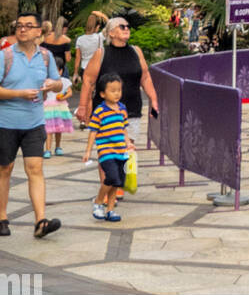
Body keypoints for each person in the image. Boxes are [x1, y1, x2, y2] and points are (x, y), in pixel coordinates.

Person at [0, 9, 63, 238]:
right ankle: (2, 218)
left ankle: (40, 222)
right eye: (19, 26)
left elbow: (59, 84)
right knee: (4, 169)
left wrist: (52, 85)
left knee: (35, 169)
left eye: (28, 26)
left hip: (35, 124)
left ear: (39, 31)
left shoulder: (45, 57)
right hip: (5, 123)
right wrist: (18, 94)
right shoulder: (5, 56)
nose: (22, 29)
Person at [77, 16, 159, 152]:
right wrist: (82, 106)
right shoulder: (101, 53)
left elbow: (145, 78)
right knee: (107, 153)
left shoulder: (136, 51)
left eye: (128, 26)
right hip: (106, 112)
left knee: (127, 151)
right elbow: (88, 81)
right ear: (111, 33)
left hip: (131, 111)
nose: (126, 28)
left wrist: (154, 100)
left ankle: (121, 174)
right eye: (122, 26)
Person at [84, 72, 132, 223]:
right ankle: (98, 202)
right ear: (103, 94)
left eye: (119, 90)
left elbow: (123, 128)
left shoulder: (122, 108)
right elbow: (93, 132)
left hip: (121, 151)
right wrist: (88, 151)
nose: (117, 93)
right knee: (111, 177)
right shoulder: (100, 111)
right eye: (113, 90)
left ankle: (110, 210)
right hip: (106, 152)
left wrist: (128, 142)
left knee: (117, 182)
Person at [39, 19, 74, 156]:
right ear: (65, 27)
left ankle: (49, 148)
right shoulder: (66, 40)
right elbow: (68, 58)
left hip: (46, 68)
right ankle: (55, 147)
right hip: (60, 68)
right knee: (62, 87)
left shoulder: (46, 38)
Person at [73, 11, 106, 88]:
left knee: (87, 93)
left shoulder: (80, 39)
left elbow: (78, 58)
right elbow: (111, 26)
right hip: (98, 68)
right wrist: (102, 15)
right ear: (97, 27)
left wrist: (75, 73)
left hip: (85, 69)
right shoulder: (99, 37)